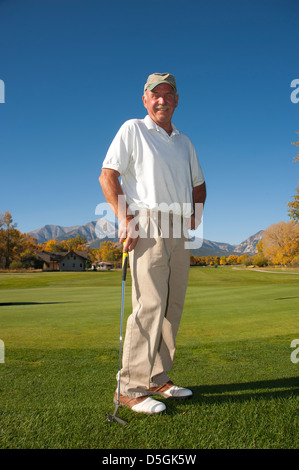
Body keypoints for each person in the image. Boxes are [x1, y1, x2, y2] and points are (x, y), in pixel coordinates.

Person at [99, 73, 206, 415]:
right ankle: (129, 388)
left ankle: (157, 377)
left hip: (178, 226)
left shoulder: (184, 142)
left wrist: (194, 218)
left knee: (172, 306)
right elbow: (108, 175)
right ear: (145, 100)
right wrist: (126, 218)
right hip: (147, 221)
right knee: (150, 304)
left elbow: (199, 185)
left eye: (168, 94)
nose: (161, 100)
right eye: (154, 94)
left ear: (177, 100)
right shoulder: (133, 128)